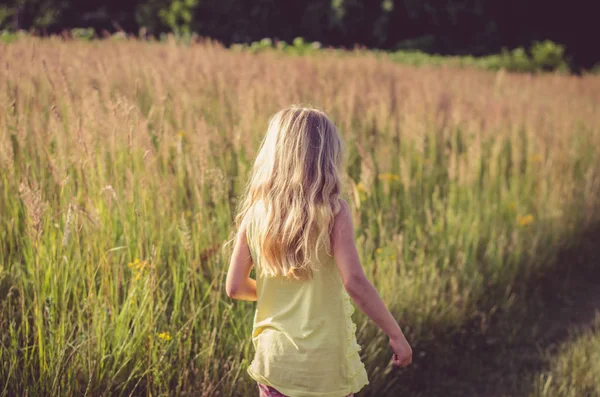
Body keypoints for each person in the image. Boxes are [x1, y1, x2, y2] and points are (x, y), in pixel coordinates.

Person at [226, 106, 412, 397]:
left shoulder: (255, 214)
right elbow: (354, 283)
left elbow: (235, 287)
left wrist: (281, 298)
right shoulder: (334, 212)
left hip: (275, 363)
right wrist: (395, 334)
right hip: (322, 367)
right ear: (327, 157)